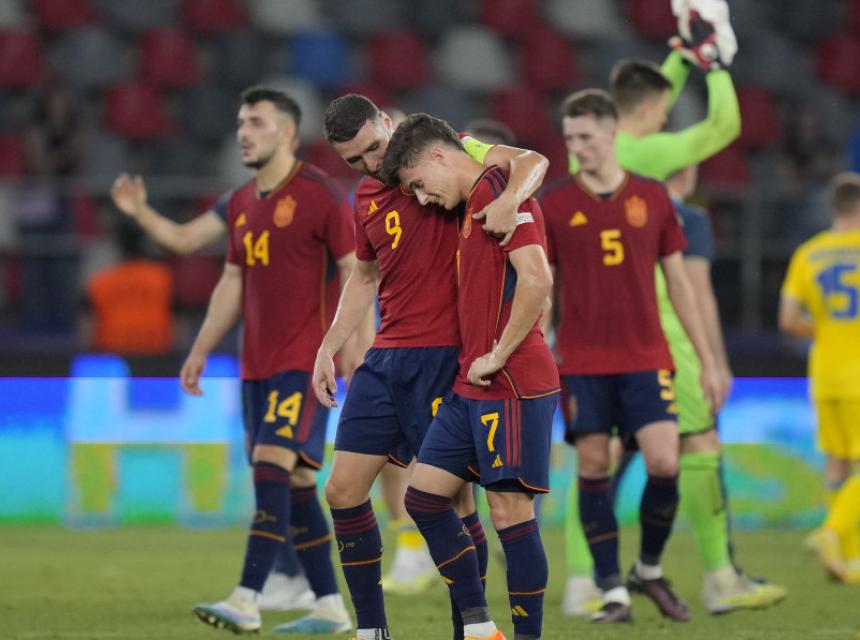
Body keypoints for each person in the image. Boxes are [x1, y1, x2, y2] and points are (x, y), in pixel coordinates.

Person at [110, 98, 373, 616]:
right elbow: (222, 270)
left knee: (271, 466)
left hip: (304, 360)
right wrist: (200, 347)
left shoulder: (320, 194)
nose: (243, 133)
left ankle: (247, 597)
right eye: (239, 124)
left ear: (288, 132)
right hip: (256, 363)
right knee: (295, 480)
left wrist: (354, 349)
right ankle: (328, 606)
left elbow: (356, 270)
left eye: (256, 123)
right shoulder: (240, 202)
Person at [559, 25, 786, 614]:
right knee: (697, 441)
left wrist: (681, 56)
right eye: (664, 110)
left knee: (601, 458)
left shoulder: (593, 153)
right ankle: (717, 578)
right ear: (650, 111)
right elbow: (723, 129)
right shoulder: (643, 155)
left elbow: (649, 97)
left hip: (599, 332)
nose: (667, 119)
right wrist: (716, 64)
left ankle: (587, 581)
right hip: (654, 328)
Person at [315, 94, 547, 640]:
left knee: (452, 501)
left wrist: (510, 198)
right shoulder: (366, 195)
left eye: (373, 148)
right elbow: (364, 277)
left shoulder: (447, 155)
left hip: (446, 355)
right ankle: (372, 630)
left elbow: (531, 161)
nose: (371, 164)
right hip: (386, 357)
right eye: (355, 160)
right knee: (342, 490)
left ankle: (473, 626)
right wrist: (329, 345)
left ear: (387, 123)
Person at [540, 89, 727, 623]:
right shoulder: (554, 204)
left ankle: (646, 568)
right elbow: (544, 288)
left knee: (665, 461)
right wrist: (537, 348)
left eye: (586, 137)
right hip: (582, 360)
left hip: (647, 355)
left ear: (612, 135)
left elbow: (680, 284)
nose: (576, 148)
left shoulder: (652, 197)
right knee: (594, 465)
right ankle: (610, 588)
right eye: (570, 138)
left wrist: (708, 360)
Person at [381, 113, 557, 640]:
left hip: (513, 379)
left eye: (418, 184)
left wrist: (500, 353)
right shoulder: (474, 199)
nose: (421, 198)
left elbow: (537, 279)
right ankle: (478, 627)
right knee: (423, 497)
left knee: (508, 510)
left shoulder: (498, 189)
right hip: (471, 382)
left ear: (438, 156)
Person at [780, 171, 860, 586]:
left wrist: (824, 330)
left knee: (837, 462)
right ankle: (832, 533)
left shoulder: (808, 254)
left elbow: (788, 320)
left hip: (825, 373)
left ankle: (848, 557)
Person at [85, 223, 173, 354]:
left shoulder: (100, 281)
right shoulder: (162, 277)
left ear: (118, 246)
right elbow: (178, 320)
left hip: (113, 351)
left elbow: (88, 325)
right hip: (156, 352)